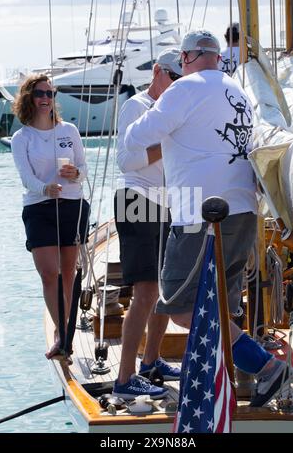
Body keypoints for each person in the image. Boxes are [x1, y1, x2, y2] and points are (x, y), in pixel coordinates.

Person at [124, 29, 288, 407]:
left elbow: (137, 137)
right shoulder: (239, 92)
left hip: (199, 213)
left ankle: (266, 369)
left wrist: (160, 102)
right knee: (222, 307)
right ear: (216, 56)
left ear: (185, 59)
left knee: (182, 306)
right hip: (244, 210)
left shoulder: (184, 89)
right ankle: (223, 383)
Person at [112, 49, 182, 400]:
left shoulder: (175, 112)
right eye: (174, 78)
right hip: (137, 200)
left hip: (164, 204)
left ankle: (150, 362)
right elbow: (127, 161)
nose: (178, 86)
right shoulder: (137, 106)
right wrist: (168, 143)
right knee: (145, 294)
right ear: (157, 71)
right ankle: (124, 379)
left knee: (162, 292)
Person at [12, 74, 89, 361]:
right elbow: (25, 177)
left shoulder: (68, 131)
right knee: (49, 274)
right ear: (28, 99)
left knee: (68, 275)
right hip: (39, 208)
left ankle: (64, 335)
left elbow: (83, 170)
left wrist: (76, 174)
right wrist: (45, 188)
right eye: (40, 93)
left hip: (72, 206)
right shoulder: (23, 138)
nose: (46, 98)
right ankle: (62, 330)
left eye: (50, 93)